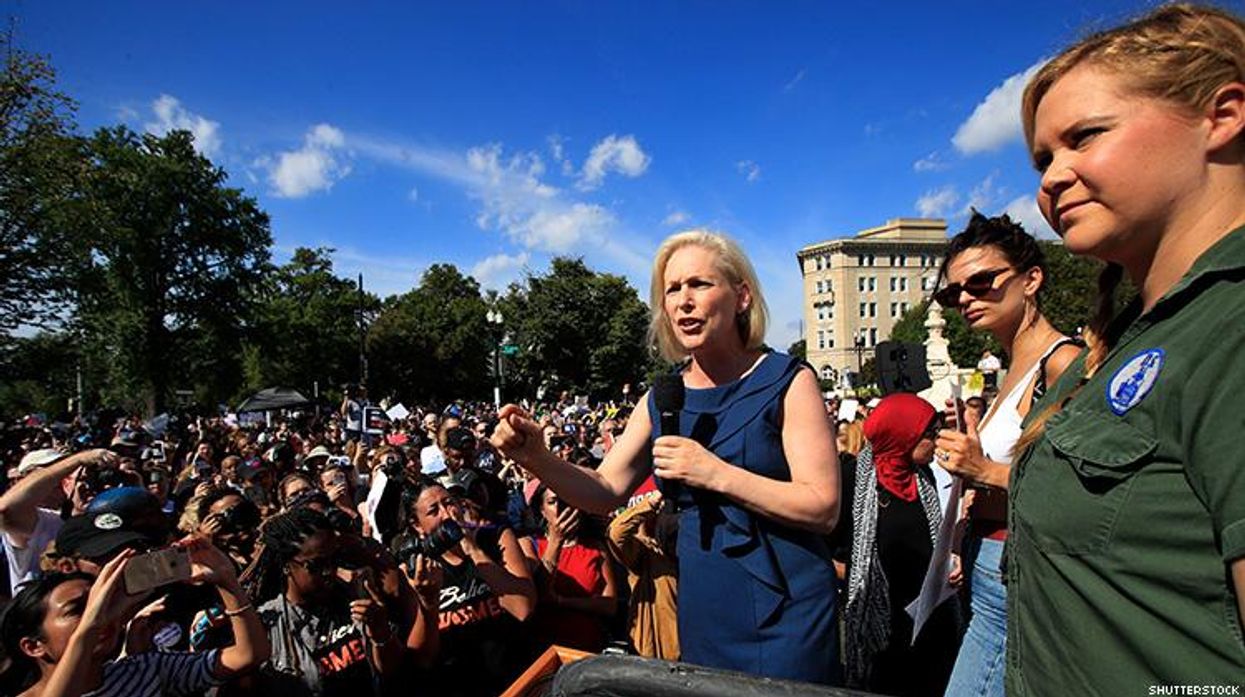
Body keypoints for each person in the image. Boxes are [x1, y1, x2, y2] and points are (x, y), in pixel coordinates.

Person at [1006, 4, 1245, 692]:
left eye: (1084, 136)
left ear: (1222, 115)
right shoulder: (1125, 337)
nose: (1051, 177)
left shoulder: (1226, 325)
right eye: (1043, 157)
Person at [492, 230, 841, 683]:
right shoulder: (663, 396)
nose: (683, 302)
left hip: (788, 612)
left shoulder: (789, 380)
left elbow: (823, 506)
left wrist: (715, 473)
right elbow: (605, 490)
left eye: (698, 284)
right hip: (704, 608)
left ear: (742, 297)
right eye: (672, 290)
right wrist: (538, 458)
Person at [929, 212, 1081, 697]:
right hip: (988, 562)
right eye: (955, 293)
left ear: (1031, 279)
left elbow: (1083, 485)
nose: (966, 299)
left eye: (981, 282)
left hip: (1017, 568)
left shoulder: (1062, 363)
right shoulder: (1015, 366)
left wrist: (985, 470)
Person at [0, 537, 268, 697]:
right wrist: (91, 624)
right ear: (33, 645)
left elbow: (248, 655)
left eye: (96, 603)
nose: (99, 614)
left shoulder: (143, 670)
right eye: (77, 609)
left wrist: (227, 582)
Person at [842, 394, 960, 696]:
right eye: (929, 435)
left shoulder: (924, 479)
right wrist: (855, 573)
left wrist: (950, 563)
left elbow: (934, 539)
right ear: (903, 434)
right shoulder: (853, 481)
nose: (935, 442)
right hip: (883, 625)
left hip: (930, 620)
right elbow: (828, 547)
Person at [242, 507, 404, 696]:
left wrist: (381, 633)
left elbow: (393, 672)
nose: (329, 571)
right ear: (286, 565)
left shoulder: (355, 596)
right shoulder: (267, 625)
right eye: (316, 565)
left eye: (333, 559)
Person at [397, 479, 536, 697]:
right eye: (434, 510)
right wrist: (428, 602)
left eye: (449, 502)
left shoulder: (496, 537)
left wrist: (473, 550)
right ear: (417, 525)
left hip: (519, 678)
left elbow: (523, 609)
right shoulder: (415, 571)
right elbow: (422, 657)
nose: (447, 513)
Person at [520, 482, 619, 653]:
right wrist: (556, 542)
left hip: (588, 648)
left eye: (567, 501)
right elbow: (540, 594)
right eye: (552, 502)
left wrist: (562, 601)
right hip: (546, 651)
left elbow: (610, 605)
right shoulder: (529, 545)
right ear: (542, 510)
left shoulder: (595, 547)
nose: (561, 508)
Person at [607, 491, 679, 660]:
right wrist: (650, 503)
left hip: (693, 653)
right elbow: (616, 534)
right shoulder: (646, 552)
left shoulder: (692, 550)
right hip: (655, 656)